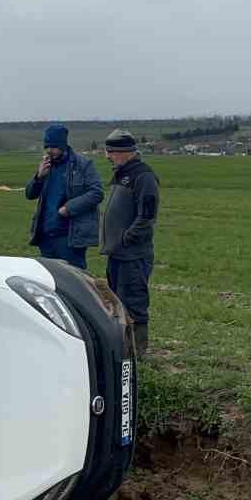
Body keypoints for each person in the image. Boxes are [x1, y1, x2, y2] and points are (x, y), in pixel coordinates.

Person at [100, 129, 159, 355]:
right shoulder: (121, 174)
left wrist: (128, 238)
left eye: (111, 152)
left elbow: (147, 216)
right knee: (116, 303)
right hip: (117, 253)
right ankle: (121, 348)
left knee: (134, 302)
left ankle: (136, 353)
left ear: (125, 152)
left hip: (132, 255)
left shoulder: (143, 177)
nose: (107, 156)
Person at [24, 123, 103, 270]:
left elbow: (96, 192)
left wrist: (69, 208)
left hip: (70, 238)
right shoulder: (46, 166)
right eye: (47, 147)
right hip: (46, 237)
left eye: (53, 147)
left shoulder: (82, 165)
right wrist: (38, 177)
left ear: (63, 145)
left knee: (73, 279)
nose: (49, 151)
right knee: (50, 279)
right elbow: (29, 194)